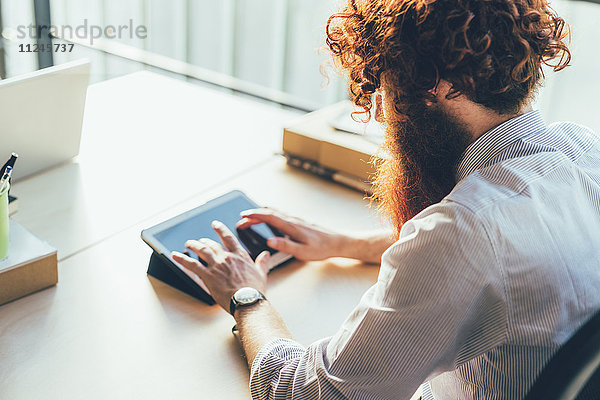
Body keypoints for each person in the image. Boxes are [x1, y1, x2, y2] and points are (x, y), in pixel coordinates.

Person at [172, 0, 600, 399]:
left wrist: (245, 296)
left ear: (434, 85)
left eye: (385, 88)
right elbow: (507, 255)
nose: (382, 114)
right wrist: (344, 244)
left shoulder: (462, 234)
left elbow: (305, 392)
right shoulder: (582, 151)